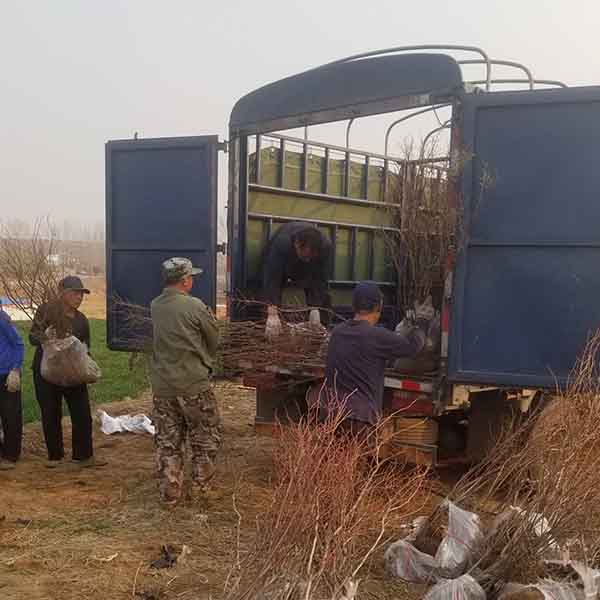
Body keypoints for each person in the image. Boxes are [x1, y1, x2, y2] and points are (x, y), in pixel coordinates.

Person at [150, 257, 221, 506]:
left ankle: (170, 494)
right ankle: (201, 493)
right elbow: (214, 338)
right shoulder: (195, 306)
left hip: (163, 388)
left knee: (168, 442)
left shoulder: (155, 305)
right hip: (193, 386)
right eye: (191, 277)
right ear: (185, 281)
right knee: (204, 439)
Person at [324, 281, 433, 440]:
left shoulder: (337, 333)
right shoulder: (376, 336)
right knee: (357, 462)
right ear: (378, 307)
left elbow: (361, 358)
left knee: (335, 461)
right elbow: (412, 347)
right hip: (360, 420)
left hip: (333, 415)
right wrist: (422, 321)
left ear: (353, 305)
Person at [29, 276, 104, 469]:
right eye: (75, 293)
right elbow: (32, 336)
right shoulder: (47, 311)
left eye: (81, 293)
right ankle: (55, 457)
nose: (79, 297)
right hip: (47, 371)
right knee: (50, 413)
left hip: (72, 372)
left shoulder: (81, 320)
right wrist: (46, 337)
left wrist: (88, 367)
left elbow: (86, 348)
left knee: (82, 414)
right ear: (62, 292)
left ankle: (83, 456)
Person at [262, 221, 332, 338]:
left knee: (324, 300)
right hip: (280, 263)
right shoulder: (282, 243)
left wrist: (315, 308)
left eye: (311, 256)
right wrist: (272, 312)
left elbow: (321, 279)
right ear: (297, 244)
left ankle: (318, 340)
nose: (308, 259)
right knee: (270, 304)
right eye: (305, 255)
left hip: (308, 271)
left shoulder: (325, 246)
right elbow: (272, 278)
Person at [0, 301, 25, 470]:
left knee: (10, 415)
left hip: (6, 374)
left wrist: (15, 369)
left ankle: (11, 455)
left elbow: (18, 343)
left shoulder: (2, 319)